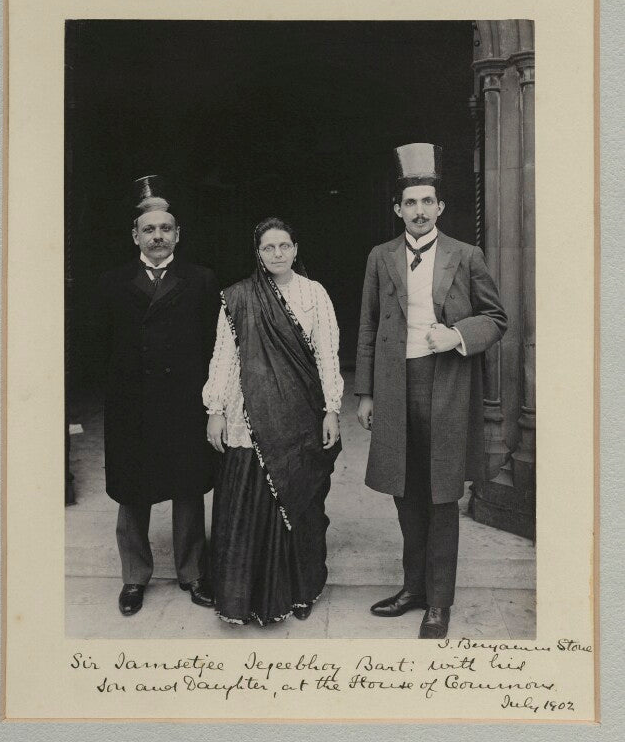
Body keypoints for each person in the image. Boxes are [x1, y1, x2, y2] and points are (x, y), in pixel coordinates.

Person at [355, 143, 507, 638]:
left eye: (427, 201)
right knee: (405, 491)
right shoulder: (380, 257)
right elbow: (368, 325)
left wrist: (457, 334)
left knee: (441, 495)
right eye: (410, 203)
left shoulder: (466, 255)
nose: (419, 210)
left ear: (440, 207)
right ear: (397, 209)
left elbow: (496, 318)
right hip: (395, 386)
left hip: (446, 385)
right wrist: (366, 393)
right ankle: (413, 589)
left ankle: (438, 602)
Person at [203, 217, 343, 626]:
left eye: (284, 246)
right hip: (249, 414)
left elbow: (327, 354)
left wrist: (331, 408)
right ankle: (245, 596)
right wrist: (216, 410)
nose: (277, 254)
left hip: (301, 415)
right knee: (247, 504)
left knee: (301, 503)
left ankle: (301, 590)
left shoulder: (314, 294)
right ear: (258, 253)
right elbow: (225, 355)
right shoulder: (239, 297)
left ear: (296, 250)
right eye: (269, 248)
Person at [97, 175, 220, 616]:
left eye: (165, 228)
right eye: (148, 229)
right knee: (132, 490)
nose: (157, 236)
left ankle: (193, 573)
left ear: (178, 234)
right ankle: (134, 576)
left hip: (184, 401)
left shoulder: (201, 280)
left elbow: (215, 345)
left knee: (188, 487)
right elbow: (98, 346)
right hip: (132, 404)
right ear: (135, 235)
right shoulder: (112, 283)